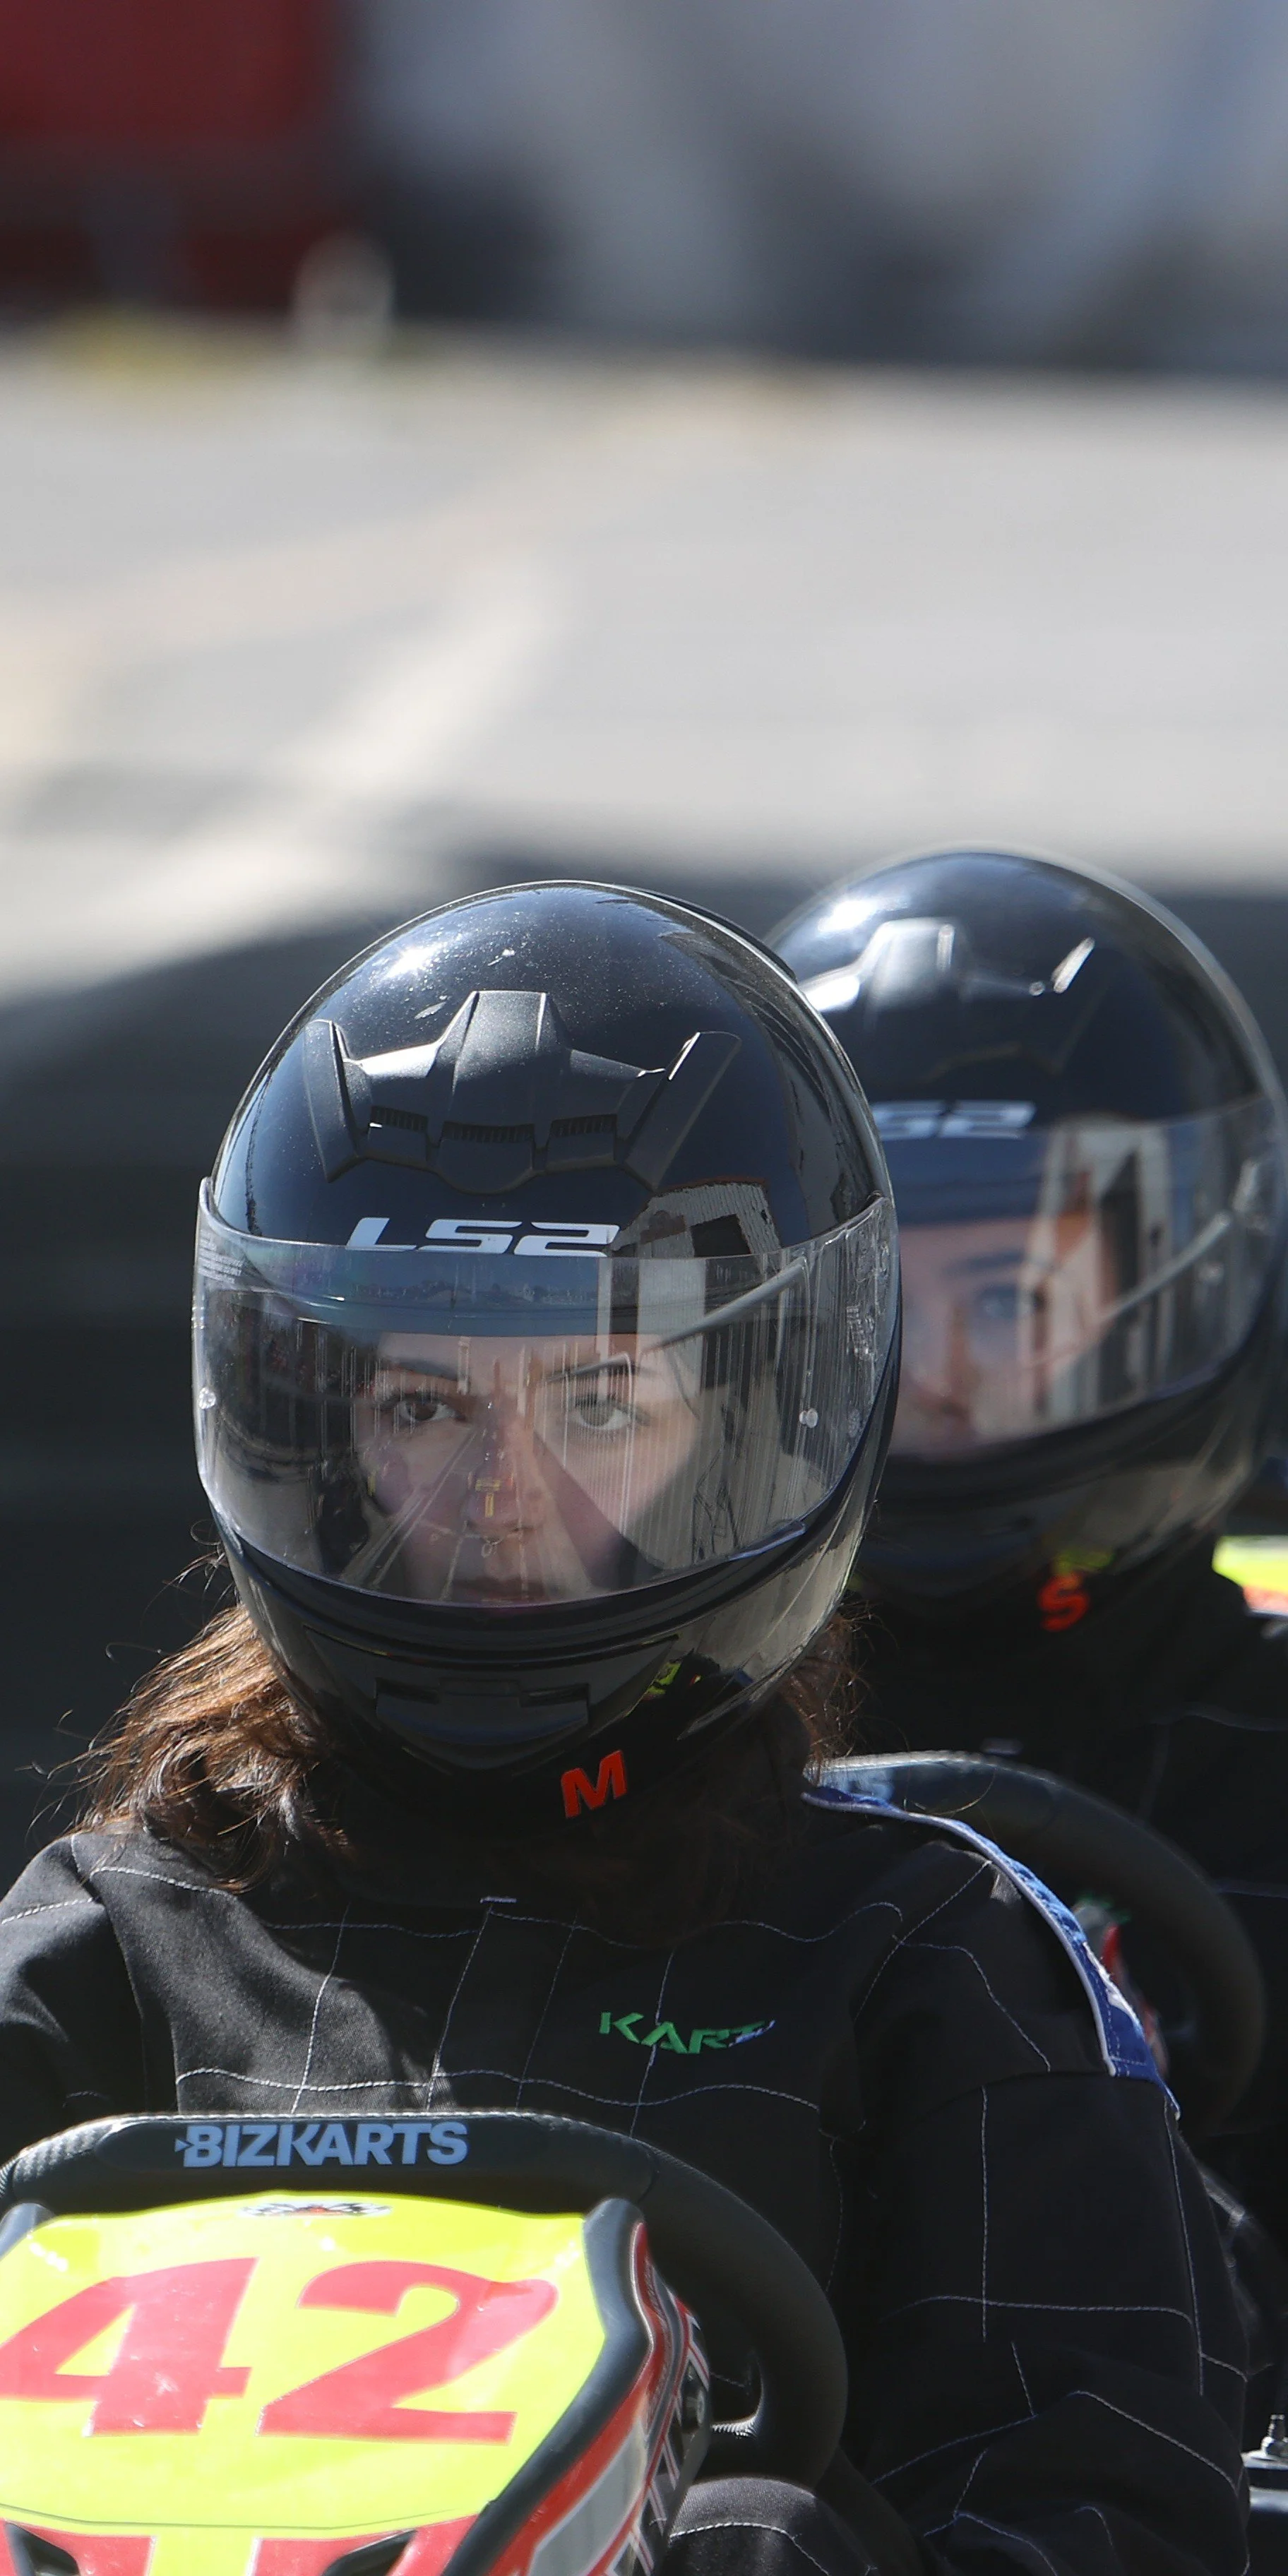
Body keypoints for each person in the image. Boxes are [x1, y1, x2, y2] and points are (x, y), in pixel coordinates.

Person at [0, 882, 1247, 2576]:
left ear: (749, 1426)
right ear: (322, 1432)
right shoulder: (117, 1945)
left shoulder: (924, 1969)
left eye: (598, 1400)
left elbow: (1101, 2523)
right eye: (426, 1402)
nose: (502, 1494)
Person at [775, 845, 1288, 2258]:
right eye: (881, 1310)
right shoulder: (673, 1760)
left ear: (1172, 1288)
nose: (934, 1378)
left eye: (1009, 1297)